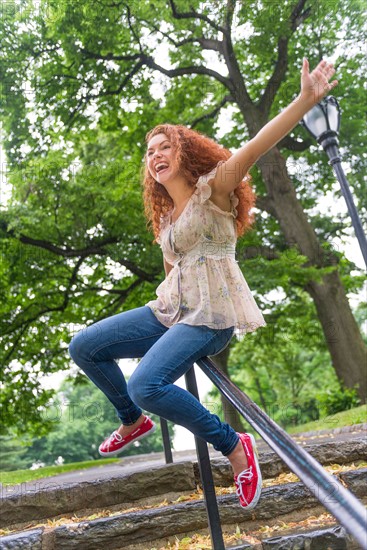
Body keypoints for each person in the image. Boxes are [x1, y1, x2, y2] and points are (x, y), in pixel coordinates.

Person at [68, 58, 337, 510]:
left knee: (146, 384)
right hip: (171, 312)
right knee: (84, 346)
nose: (155, 155)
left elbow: (255, 146)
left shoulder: (214, 189)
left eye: (163, 146)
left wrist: (304, 100)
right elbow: (174, 275)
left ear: (183, 152)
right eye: (149, 151)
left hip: (211, 315)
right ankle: (131, 421)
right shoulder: (167, 221)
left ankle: (233, 446)